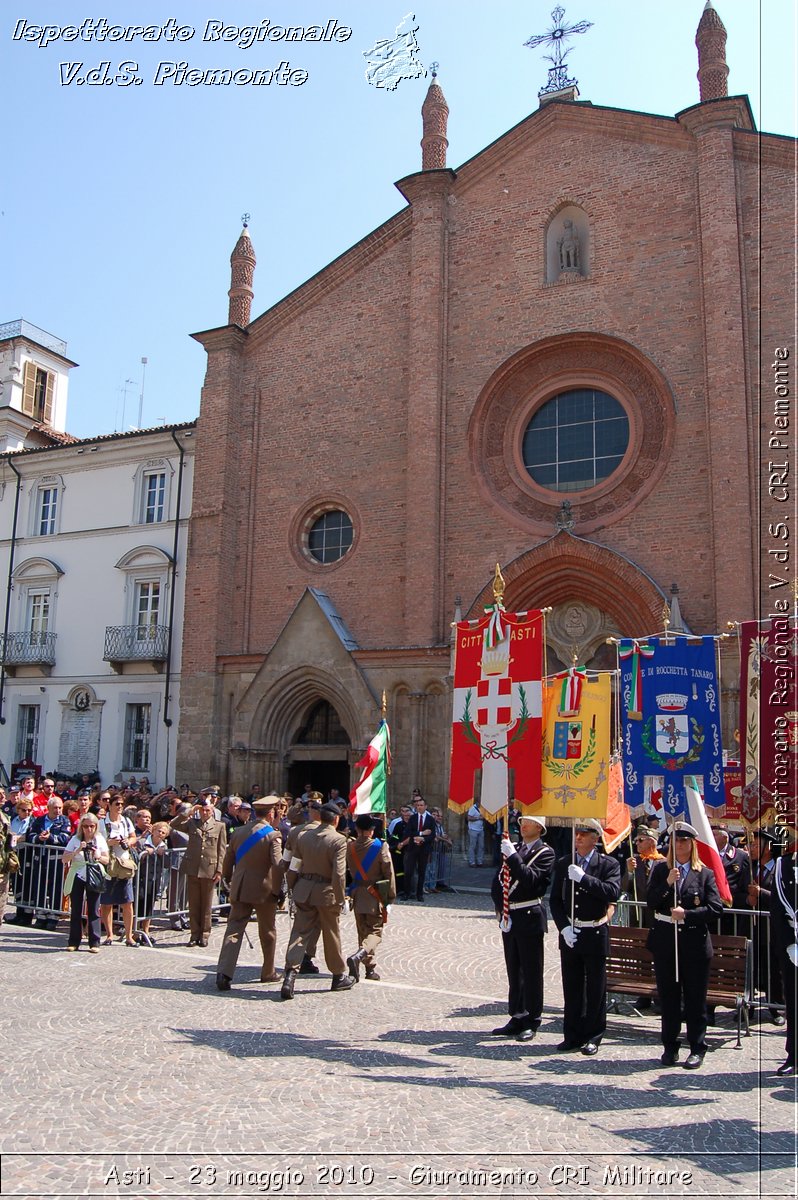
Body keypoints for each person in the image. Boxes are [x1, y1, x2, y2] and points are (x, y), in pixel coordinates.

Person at [646, 821, 723, 1069]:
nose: (679, 845)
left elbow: (715, 908)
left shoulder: (705, 873)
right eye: (675, 841)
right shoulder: (660, 870)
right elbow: (651, 902)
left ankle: (697, 1046)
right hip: (666, 941)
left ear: (692, 844)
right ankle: (669, 1046)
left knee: (694, 998)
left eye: (684, 841)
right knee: (668, 998)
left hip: (693, 942)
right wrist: (668, 884)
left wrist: (688, 914)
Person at [549, 817, 621, 1056]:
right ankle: (572, 1034)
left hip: (595, 930)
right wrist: (563, 927)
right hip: (572, 931)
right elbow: (556, 901)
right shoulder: (564, 862)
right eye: (576, 833)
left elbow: (612, 892)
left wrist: (583, 878)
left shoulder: (608, 864)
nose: (578, 837)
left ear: (595, 838)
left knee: (596, 989)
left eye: (584, 834)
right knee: (572, 986)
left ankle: (594, 1035)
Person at [490, 813, 555, 1042]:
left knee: (531, 971)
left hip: (529, 914)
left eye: (526, 822)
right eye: (521, 822)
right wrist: (500, 907)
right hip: (511, 914)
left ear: (538, 827)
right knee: (514, 969)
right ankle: (516, 1015)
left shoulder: (545, 853)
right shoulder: (514, 847)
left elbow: (531, 880)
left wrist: (513, 856)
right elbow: (499, 880)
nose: (522, 825)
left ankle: (532, 1019)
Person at [281, 802, 354, 998]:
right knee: (331, 934)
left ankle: (290, 974)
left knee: (299, 932)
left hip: (304, 889)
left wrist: (292, 886)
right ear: (337, 819)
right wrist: (341, 898)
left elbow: (294, 865)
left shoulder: (304, 836)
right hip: (326, 892)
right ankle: (338, 975)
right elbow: (339, 875)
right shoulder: (339, 840)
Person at [216, 795, 283, 991]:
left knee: (234, 929)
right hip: (264, 889)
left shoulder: (238, 832)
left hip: (241, 886)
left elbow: (228, 859)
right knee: (268, 931)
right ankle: (268, 971)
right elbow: (278, 865)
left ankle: (224, 973)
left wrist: (227, 879)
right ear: (271, 814)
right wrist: (279, 890)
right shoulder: (273, 835)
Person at [170, 793, 227, 946]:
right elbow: (173, 824)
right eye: (203, 810)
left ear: (212, 811)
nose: (205, 813)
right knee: (194, 904)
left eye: (208, 810)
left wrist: (219, 870)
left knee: (206, 905)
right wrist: (189, 811)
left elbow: (221, 850)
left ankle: (205, 934)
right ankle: (194, 934)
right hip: (192, 867)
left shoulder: (219, 826)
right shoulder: (192, 823)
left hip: (209, 868)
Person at [345, 813, 396, 982]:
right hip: (375, 894)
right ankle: (360, 956)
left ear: (357, 829)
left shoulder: (350, 846)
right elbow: (389, 872)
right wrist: (390, 897)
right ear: (372, 831)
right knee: (375, 933)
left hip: (357, 893)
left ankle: (368, 968)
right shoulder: (380, 846)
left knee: (362, 931)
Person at [278, 794, 323, 975]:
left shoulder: (295, 832)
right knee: (320, 925)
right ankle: (308, 958)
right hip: (322, 886)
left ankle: (293, 961)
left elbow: (286, 862)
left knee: (300, 925)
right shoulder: (331, 834)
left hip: (300, 884)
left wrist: (289, 885)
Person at [747, 829, 785, 1026]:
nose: (751, 848)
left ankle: (775, 1007)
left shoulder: (779, 868)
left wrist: (761, 893)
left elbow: (782, 898)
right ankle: (749, 1006)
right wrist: (748, 898)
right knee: (752, 966)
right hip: (753, 928)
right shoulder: (750, 868)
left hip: (773, 928)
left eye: (755, 845)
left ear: (768, 848)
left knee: (773, 968)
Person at [62, 814, 110, 952]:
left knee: (94, 909)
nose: (88, 829)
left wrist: (98, 856)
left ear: (96, 827)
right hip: (78, 873)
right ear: (81, 827)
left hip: (94, 873)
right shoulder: (75, 839)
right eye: (85, 826)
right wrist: (76, 851)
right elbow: (64, 859)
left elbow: (107, 860)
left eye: (91, 826)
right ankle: (74, 941)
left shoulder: (99, 839)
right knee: (76, 909)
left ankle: (94, 942)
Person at [769, 848, 797, 1076]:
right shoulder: (783, 865)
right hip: (794, 944)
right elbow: (777, 909)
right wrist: (789, 945)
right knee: (795, 1002)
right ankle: (794, 1055)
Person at [27, 794, 71, 928]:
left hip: (56, 860)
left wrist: (50, 837)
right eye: (55, 808)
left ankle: (53, 917)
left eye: (60, 808)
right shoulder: (39, 820)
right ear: (48, 808)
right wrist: (39, 838)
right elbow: (31, 835)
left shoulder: (64, 821)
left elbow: (65, 838)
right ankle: (40, 916)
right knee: (39, 886)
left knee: (55, 888)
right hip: (40, 858)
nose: (58, 810)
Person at [99, 795, 138, 946]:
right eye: (117, 804)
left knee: (127, 902)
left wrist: (128, 841)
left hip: (124, 865)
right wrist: (109, 842)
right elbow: (97, 841)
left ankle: (129, 936)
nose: (120, 806)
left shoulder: (126, 821)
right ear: (109, 805)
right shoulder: (102, 822)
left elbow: (134, 837)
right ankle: (109, 935)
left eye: (122, 804)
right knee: (106, 903)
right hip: (108, 865)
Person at [620, 825, 666, 928]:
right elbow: (624, 887)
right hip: (637, 916)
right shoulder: (634, 861)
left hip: (656, 915)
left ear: (651, 841)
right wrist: (630, 872)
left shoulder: (664, 863)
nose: (636, 843)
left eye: (640, 840)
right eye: (636, 840)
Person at [400, 794, 435, 902]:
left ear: (425, 806)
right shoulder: (413, 818)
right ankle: (407, 893)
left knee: (421, 872)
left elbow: (432, 835)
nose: (419, 807)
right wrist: (421, 833)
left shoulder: (430, 819)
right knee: (409, 871)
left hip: (424, 849)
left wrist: (423, 838)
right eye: (418, 805)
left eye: (421, 805)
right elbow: (408, 832)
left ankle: (419, 894)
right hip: (412, 849)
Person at [466, 800, 485, 867]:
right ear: (477, 802)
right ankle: (472, 862)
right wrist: (478, 818)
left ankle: (480, 861)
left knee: (481, 846)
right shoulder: (472, 808)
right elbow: (468, 818)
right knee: (472, 846)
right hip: (473, 829)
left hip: (480, 829)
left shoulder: (482, 809)